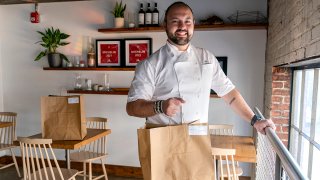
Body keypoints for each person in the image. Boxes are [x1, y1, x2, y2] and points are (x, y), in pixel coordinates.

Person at [126, 1, 275, 134]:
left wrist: (255, 121)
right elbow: (132, 107)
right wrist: (160, 106)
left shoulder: (206, 58)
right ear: (165, 24)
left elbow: (229, 93)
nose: (182, 26)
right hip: (163, 139)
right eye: (175, 21)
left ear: (193, 24)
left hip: (197, 137)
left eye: (187, 21)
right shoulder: (150, 64)